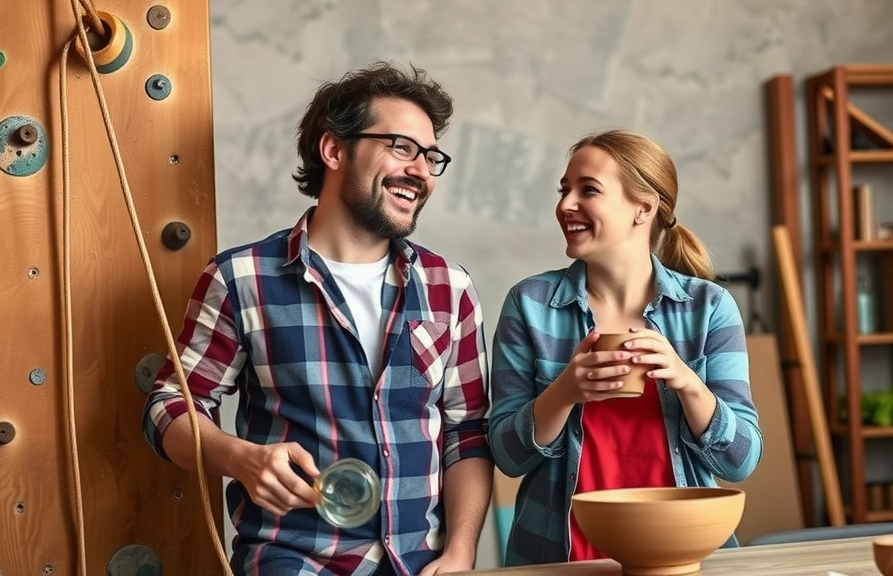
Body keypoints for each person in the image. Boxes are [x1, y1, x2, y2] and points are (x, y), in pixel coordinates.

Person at [142, 61, 493, 576]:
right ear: (334, 150)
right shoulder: (242, 278)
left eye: (431, 156)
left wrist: (460, 553)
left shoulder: (450, 288)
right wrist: (240, 458)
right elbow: (170, 405)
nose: (421, 171)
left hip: (421, 566)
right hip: (295, 560)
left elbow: (468, 433)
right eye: (401, 147)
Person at [488, 129, 762, 565]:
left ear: (644, 207)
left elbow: (741, 461)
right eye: (564, 190)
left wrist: (688, 383)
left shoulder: (708, 308)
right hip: (562, 560)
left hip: (682, 557)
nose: (565, 204)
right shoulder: (531, 304)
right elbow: (506, 456)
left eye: (588, 190)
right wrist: (564, 391)